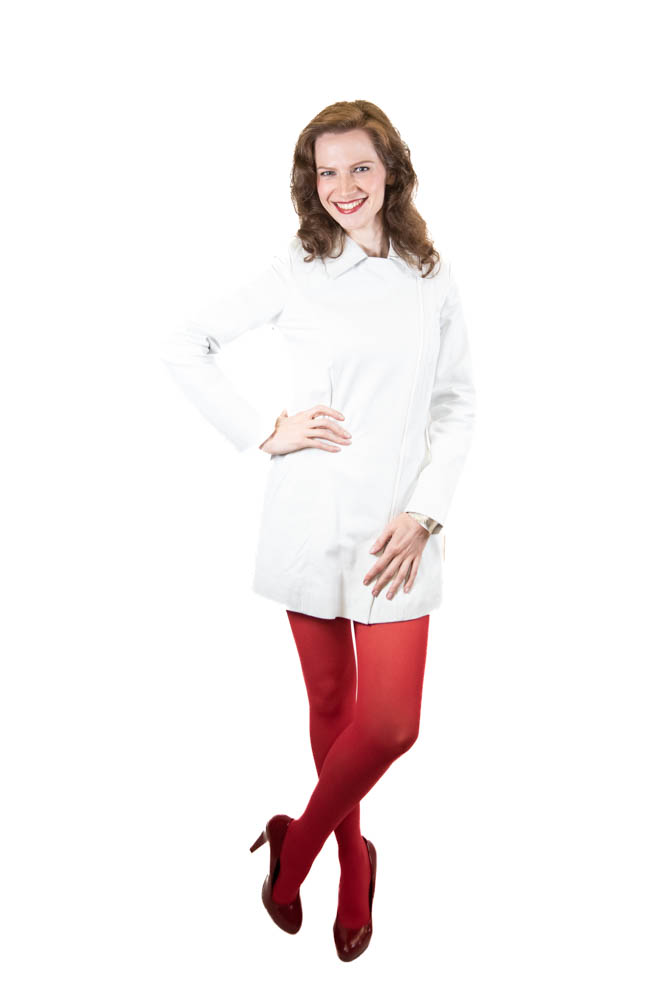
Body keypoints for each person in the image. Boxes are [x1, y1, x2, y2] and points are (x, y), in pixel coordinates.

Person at [160, 100, 476, 961]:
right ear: (311, 182)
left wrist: (425, 513)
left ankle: (295, 847)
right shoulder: (296, 268)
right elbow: (186, 341)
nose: (344, 187)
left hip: (400, 532)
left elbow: (456, 404)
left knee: (392, 726)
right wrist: (265, 431)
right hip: (312, 518)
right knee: (334, 711)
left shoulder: (430, 275)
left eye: (360, 168)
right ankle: (353, 864)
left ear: (391, 171)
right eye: (327, 171)